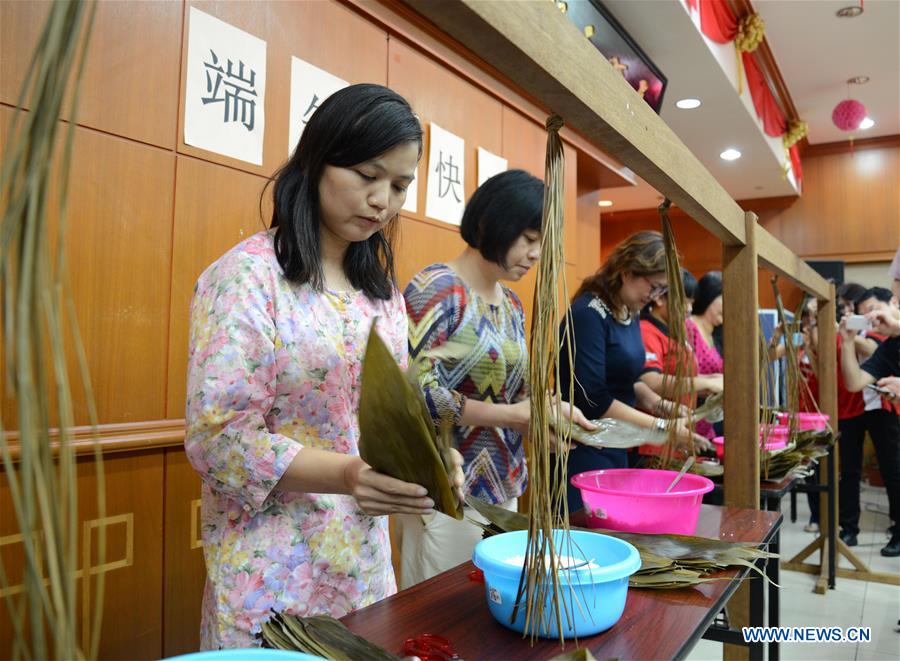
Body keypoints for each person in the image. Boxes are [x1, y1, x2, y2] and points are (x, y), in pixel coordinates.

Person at [184, 84, 465, 648]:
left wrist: (430, 460)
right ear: (317, 161)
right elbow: (218, 439)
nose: (382, 199)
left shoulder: (381, 294)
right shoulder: (247, 279)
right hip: (270, 574)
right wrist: (345, 474)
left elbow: (390, 417)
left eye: (399, 185)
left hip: (361, 568)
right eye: (367, 174)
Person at [397, 169, 595, 588]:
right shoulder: (436, 289)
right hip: (448, 490)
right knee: (441, 611)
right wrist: (512, 417)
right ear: (493, 223)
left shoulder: (511, 302)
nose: (537, 253)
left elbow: (515, 392)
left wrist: (544, 416)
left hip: (504, 483)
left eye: (542, 242)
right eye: (529, 238)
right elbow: (414, 394)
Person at [557, 231, 710, 513]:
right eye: (653, 287)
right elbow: (594, 398)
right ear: (627, 273)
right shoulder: (588, 314)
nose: (653, 297)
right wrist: (660, 427)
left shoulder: (629, 312)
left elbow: (630, 379)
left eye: (660, 291)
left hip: (618, 442)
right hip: (586, 445)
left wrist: (661, 406)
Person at [837, 288, 900, 556]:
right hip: (854, 410)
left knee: (893, 470)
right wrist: (848, 341)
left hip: (882, 413)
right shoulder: (890, 348)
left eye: (876, 308)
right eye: (865, 313)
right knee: (850, 469)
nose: (872, 317)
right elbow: (854, 382)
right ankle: (849, 527)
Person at [686, 271, 724, 438]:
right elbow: (679, 374)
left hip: (708, 425)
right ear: (710, 296)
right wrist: (710, 384)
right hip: (688, 420)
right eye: (724, 297)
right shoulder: (689, 327)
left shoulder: (716, 334)